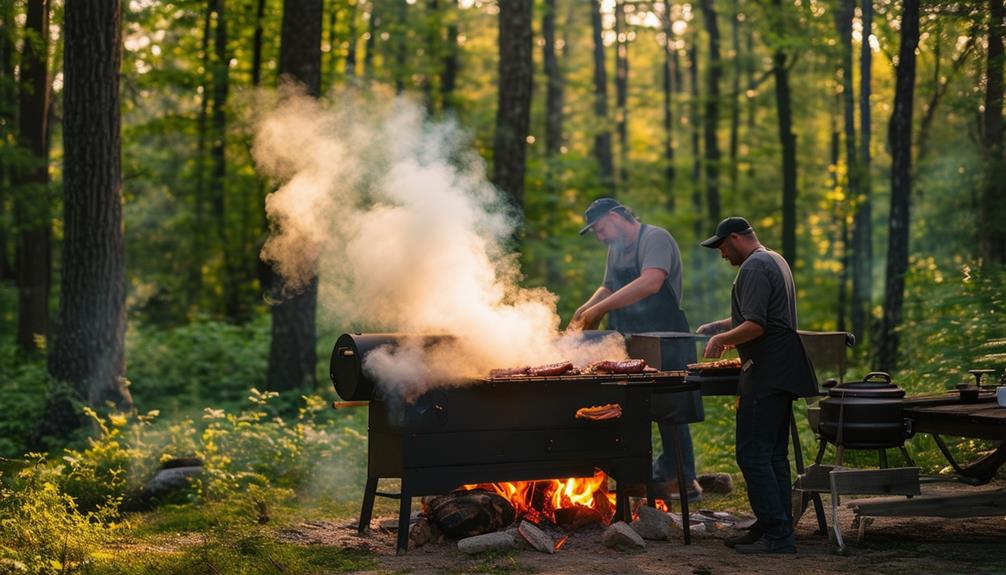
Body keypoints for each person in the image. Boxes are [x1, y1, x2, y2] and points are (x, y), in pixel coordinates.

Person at [696, 216, 818, 554]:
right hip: (782, 371)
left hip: (766, 371)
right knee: (773, 455)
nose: (721, 254)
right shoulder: (774, 259)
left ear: (735, 238)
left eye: (722, 246)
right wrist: (717, 325)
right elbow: (757, 316)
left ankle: (778, 536)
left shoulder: (753, 267)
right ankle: (771, 526)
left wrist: (723, 338)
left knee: (752, 455)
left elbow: (756, 326)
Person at [569, 197, 704, 501]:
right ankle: (640, 473)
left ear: (616, 216)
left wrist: (600, 309)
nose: (600, 237)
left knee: (672, 410)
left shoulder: (655, 238)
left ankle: (682, 480)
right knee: (630, 406)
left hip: (663, 336)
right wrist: (586, 309)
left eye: (600, 229)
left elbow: (651, 283)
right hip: (628, 338)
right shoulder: (615, 251)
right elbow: (609, 286)